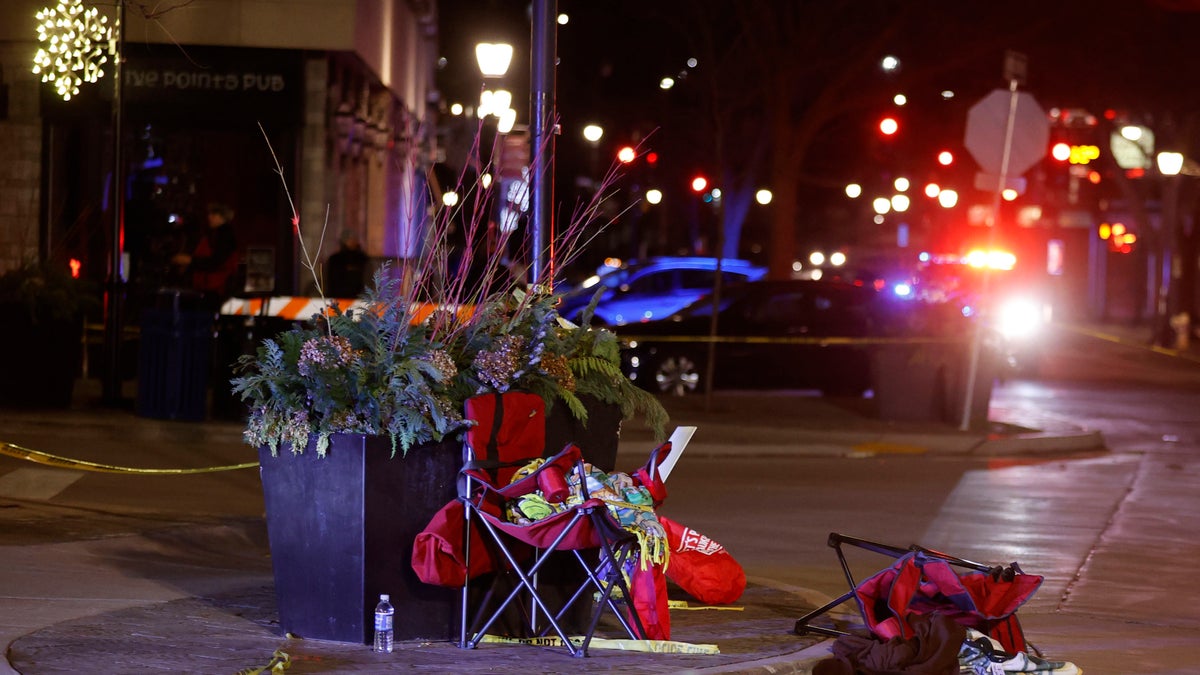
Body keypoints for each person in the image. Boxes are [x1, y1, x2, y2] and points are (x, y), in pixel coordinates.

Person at [171, 202, 239, 308]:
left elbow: (216, 262)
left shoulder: (224, 236)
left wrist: (190, 261)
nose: (209, 217)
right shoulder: (215, 234)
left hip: (216, 287)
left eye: (213, 215)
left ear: (222, 217)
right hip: (209, 286)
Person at [325, 229, 369, 298]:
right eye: (349, 239)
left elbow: (368, 279)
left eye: (354, 238)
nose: (352, 241)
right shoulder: (334, 260)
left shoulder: (363, 259)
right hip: (337, 299)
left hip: (359, 300)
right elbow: (329, 281)